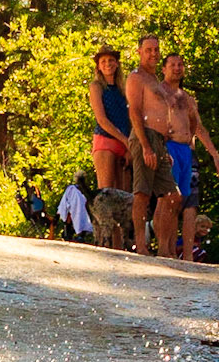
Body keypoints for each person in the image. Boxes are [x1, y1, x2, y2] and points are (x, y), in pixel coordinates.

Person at [162, 53, 219, 264]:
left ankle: (188, 256)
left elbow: (198, 127)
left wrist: (214, 153)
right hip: (168, 149)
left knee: (190, 205)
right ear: (164, 69)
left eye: (180, 65)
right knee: (170, 202)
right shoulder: (158, 93)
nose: (177, 68)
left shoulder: (187, 98)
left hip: (188, 152)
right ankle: (167, 250)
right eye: (172, 65)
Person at [125, 34, 181, 260]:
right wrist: (146, 146)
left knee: (172, 196)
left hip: (159, 141)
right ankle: (141, 245)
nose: (154, 54)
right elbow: (135, 111)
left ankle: (165, 249)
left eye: (156, 50)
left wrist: (163, 148)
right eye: (148, 50)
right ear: (139, 52)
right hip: (144, 138)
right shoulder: (136, 78)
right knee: (142, 193)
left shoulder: (156, 80)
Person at [89, 45, 132, 197]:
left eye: (111, 60)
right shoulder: (96, 86)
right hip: (106, 140)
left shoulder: (124, 88)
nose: (108, 64)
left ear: (117, 63)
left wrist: (128, 146)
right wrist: (125, 140)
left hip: (125, 143)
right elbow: (102, 119)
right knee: (107, 193)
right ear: (98, 66)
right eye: (104, 61)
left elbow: (131, 118)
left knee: (125, 194)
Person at [57, 171, 94, 240]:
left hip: (77, 210)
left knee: (76, 218)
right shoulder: (73, 189)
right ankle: (72, 234)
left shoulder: (73, 190)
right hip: (77, 210)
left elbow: (64, 203)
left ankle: (71, 234)